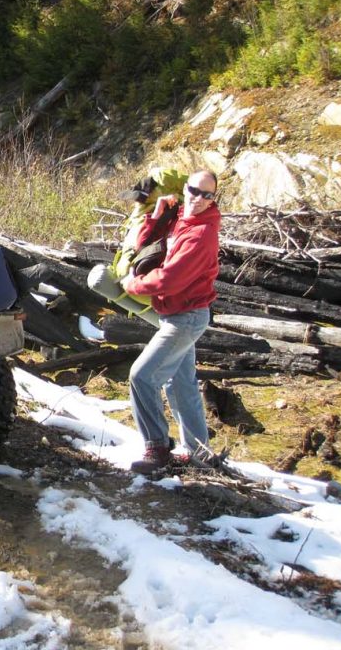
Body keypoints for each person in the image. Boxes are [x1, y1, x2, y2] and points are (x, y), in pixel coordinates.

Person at [120, 169, 221, 474]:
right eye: (194, 190)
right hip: (176, 314)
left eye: (207, 195)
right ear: (185, 188)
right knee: (181, 385)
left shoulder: (202, 233)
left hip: (186, 318)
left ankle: (158, 449)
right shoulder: (181, 218)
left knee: (141, 376)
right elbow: (144, 245)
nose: (198, 199)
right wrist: (158, 215)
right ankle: (199, 453)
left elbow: (171, 279)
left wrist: (132, 285)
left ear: (213, 198)